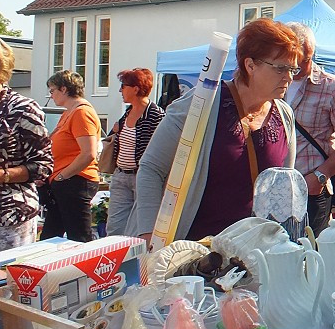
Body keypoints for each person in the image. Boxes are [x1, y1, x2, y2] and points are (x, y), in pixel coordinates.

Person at [135, 19, 301, 240]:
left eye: (292, 69)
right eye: (281, 68)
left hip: (259, 255)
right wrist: (149, 235)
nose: (289, 77)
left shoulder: (284, 115)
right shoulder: (201, 104)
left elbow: (284, 187)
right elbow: (150, 169)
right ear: (250, 65)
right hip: (196, 256)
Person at [0, 33, 52, 259]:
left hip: (9, 218)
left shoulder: (22, 109)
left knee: (3, 288)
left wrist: (0, 176)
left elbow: (43, 166)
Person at [286, 24, 335, 234]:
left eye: (308, 58)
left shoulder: (331, 86)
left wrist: (320, 176)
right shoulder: (272, 81)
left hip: (311, 189)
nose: (303, 65)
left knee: (309, 257)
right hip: (276, 191)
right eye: (298, 59)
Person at [104, 68, 165, 237]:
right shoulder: (127, 114)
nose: (120, 90)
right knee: (115, 228)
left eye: (123, 86)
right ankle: (117, 261)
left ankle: (137, 263)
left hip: (143, 177)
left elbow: (161, 149)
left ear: (136, 88)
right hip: (121, 176)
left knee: (139, 229)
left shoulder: (156, 115)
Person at [43, 70, 102, 241]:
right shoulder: (68, 112)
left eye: (52, 91)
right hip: (65, 182)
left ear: (64, 89)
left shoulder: (81, 113)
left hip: (76, 181)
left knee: (80, 237)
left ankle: (87, 268)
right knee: (50, 237)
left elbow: (88, 153)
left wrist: (62, 176)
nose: (51, 96)